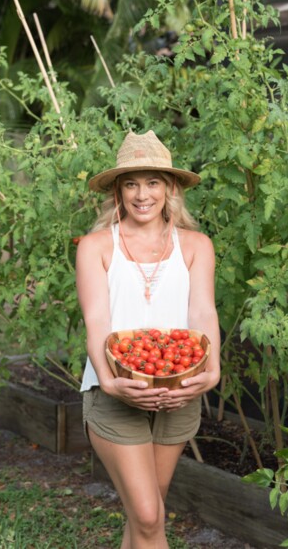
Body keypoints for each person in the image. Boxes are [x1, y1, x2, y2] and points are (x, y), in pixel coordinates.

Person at [76, 130, 220, 549]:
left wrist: (211, 373)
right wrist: (109, 381)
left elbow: (203, 313)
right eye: (132, 183)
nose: (143, 194)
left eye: (153, 182)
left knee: (146, 518)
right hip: (114, 393)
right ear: (118, 191)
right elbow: (97, 320)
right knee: (148, 515)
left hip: (178, 392)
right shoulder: (96, 246)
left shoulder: (195, 246)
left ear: (170, 188)